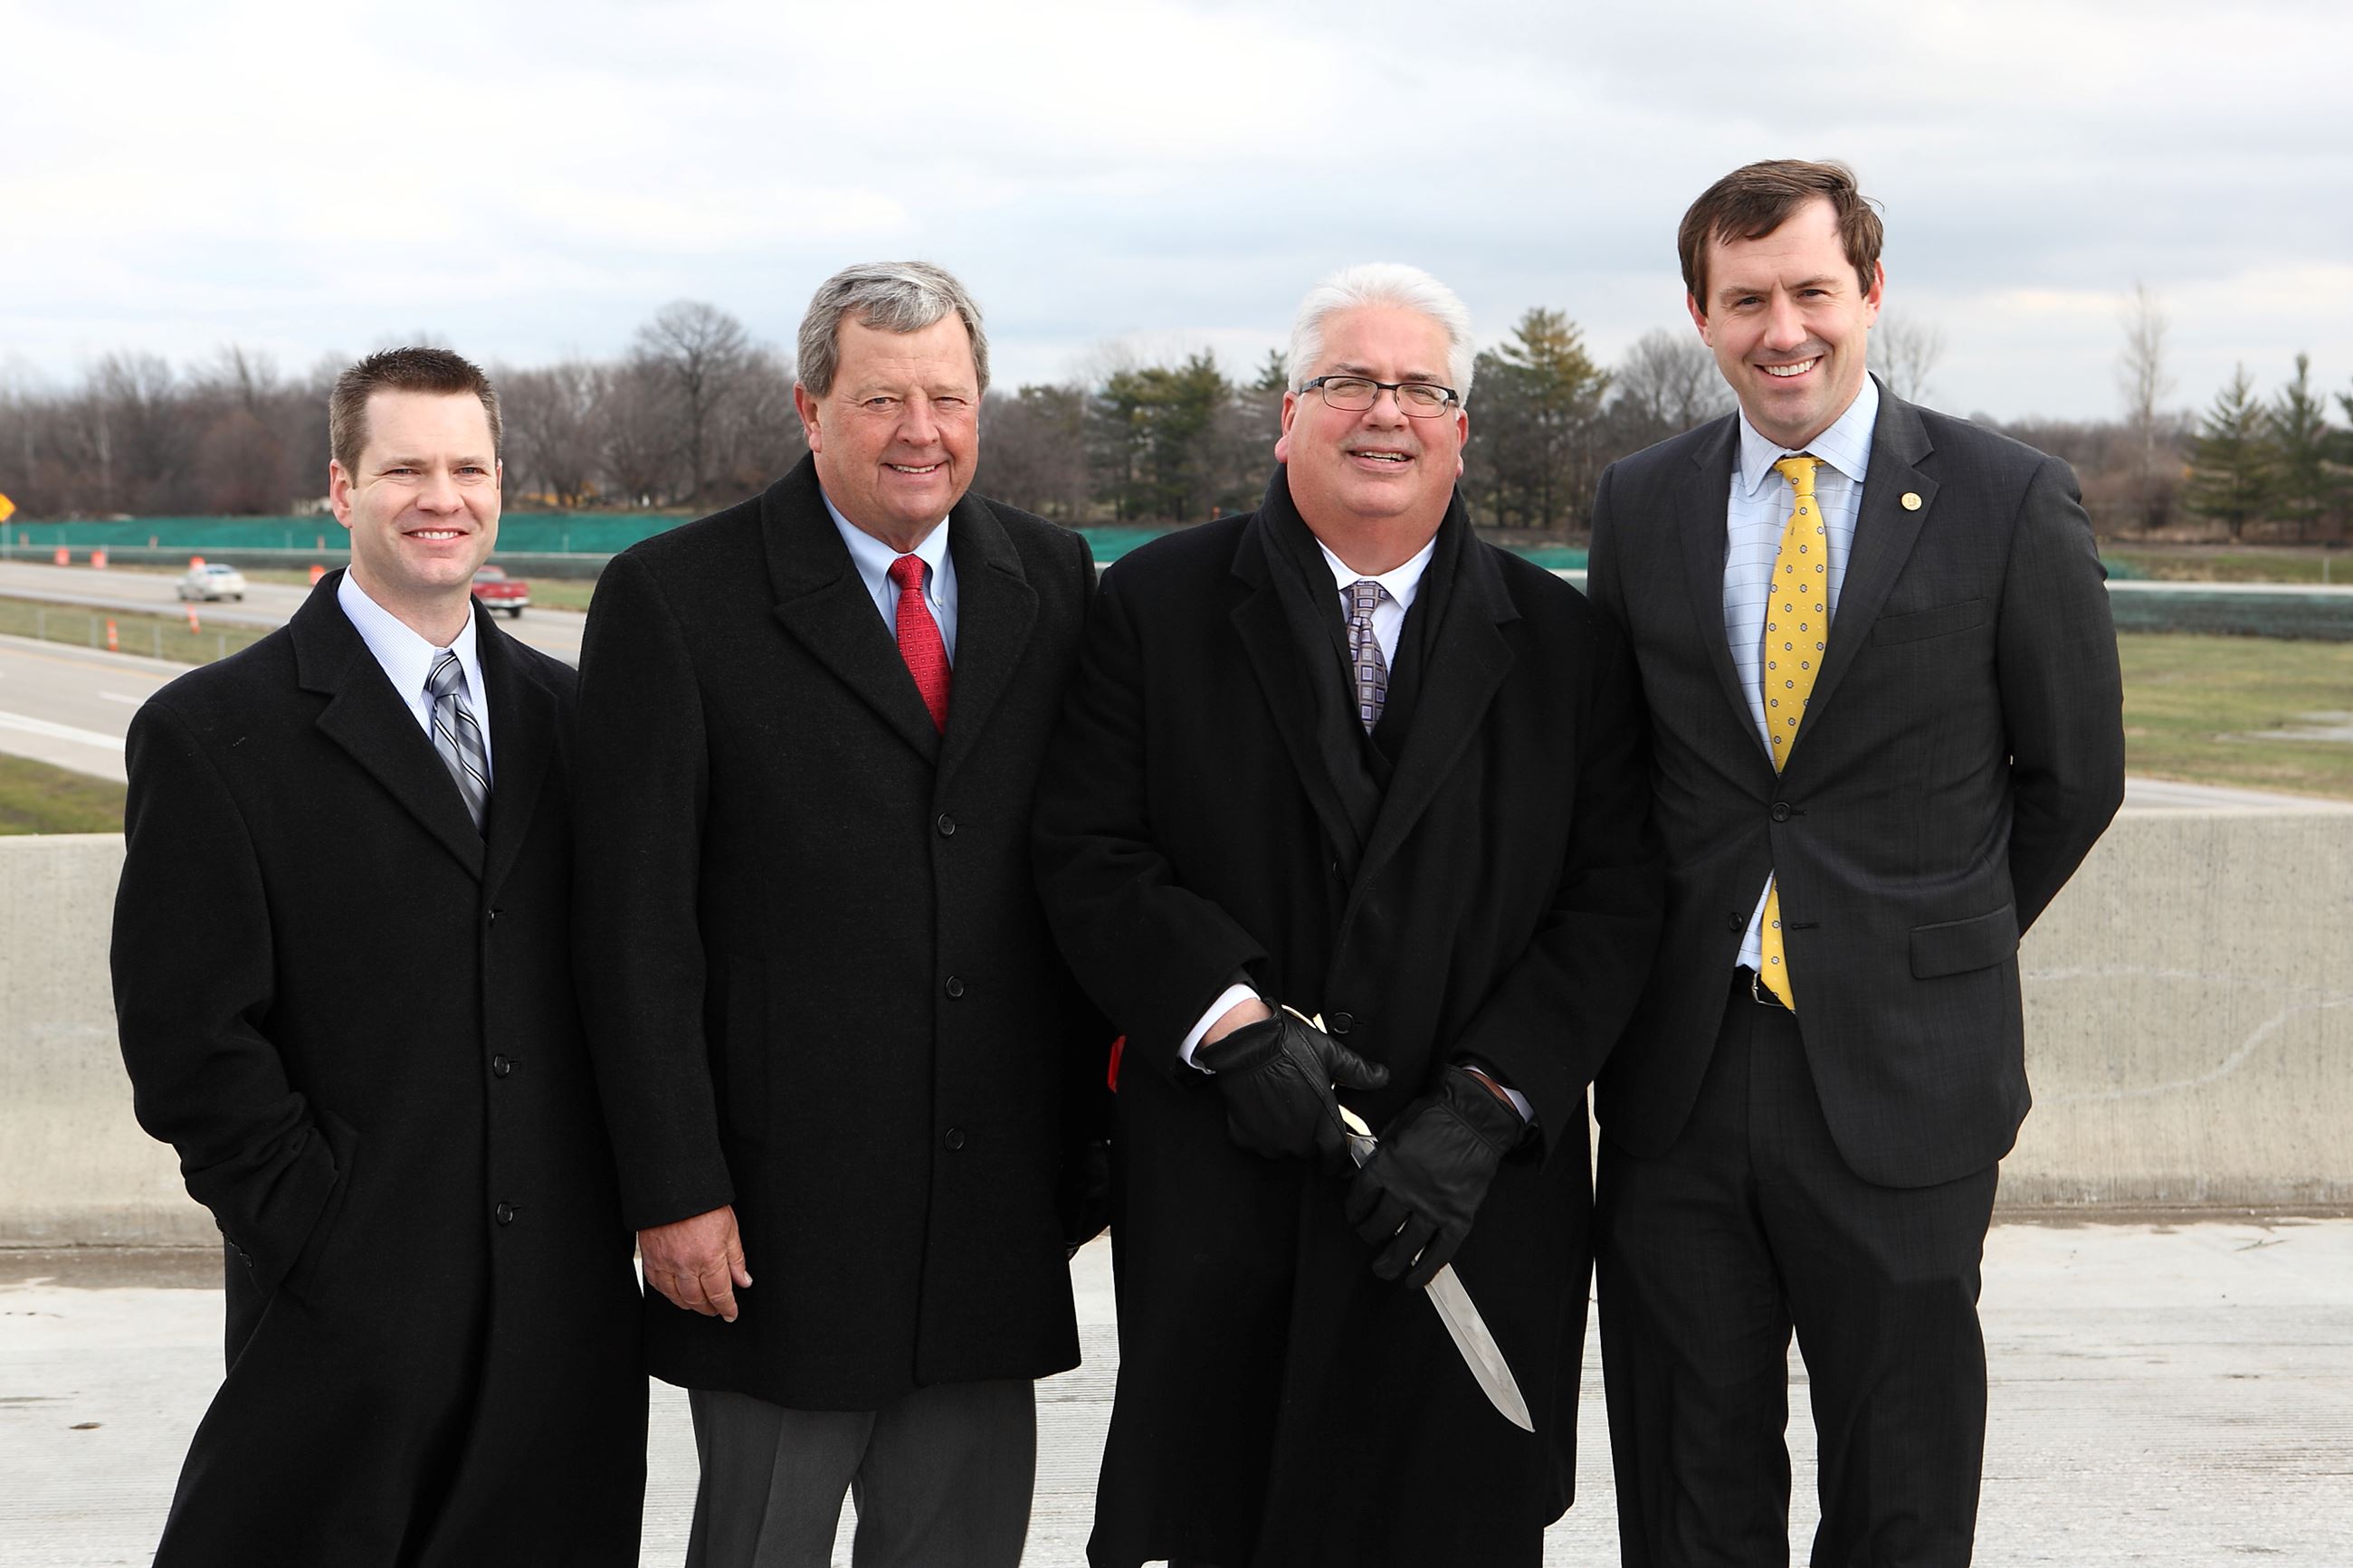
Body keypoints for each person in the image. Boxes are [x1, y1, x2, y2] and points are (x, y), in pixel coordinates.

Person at [1033, 262, 1662, 1568]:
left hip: (1469, 1211)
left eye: (1420, 387)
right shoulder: (1155, 606)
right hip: (1230, 1184)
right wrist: (1231, 1023)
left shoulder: (1567, 643)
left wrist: (1493, 1101)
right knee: (1227, 1518)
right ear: (1289, 411)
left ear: (1460, 425)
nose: (1387, 412)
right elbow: (1086, 848)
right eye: (1349, 382)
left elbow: (1619, 897)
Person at [1584, 158, 2127, 1565]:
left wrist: (1927, 941)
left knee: (1900, 1481)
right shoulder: (1641, 503)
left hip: (1907, 1071)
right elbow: (1622, 776)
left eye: (1813, 291)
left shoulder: (2010, 498)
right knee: (1687, 1476)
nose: (1785, 330)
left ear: (1870, 294)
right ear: (1700, 314)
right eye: (1747, 298)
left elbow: (2075, 776)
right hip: (1681, 1075)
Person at [572, 261, 1106, 1568]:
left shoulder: (1053, 576)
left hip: (989, 1205)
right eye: (881, 398)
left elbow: (1083, 869)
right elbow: (632, 927)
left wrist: (1087, 1158)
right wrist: (675, 1185)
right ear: (809, 408)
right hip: (771, 1215)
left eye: (948, 396)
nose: (920, 429)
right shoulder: (674, 598)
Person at [110, 347, 646, 1566]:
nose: (440, 495)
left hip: (560, 1317)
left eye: (468, 467)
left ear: (502, 484)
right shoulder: (212, 735)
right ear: (342, 489)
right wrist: (317, 1228)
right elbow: (190, 1042)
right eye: (406, 467)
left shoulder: (579, 723)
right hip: (347, 1302)